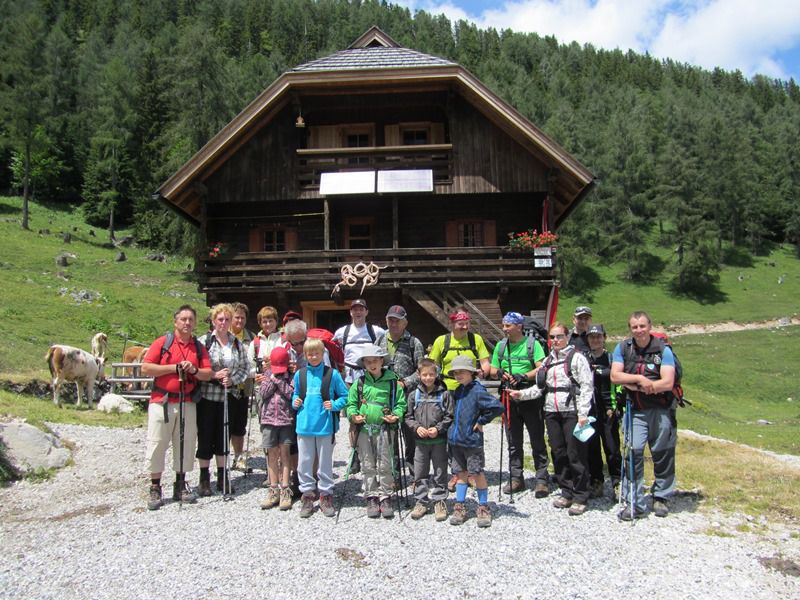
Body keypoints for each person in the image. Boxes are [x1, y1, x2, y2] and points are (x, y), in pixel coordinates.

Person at [510, 322, 594, 516]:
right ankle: (567, 491)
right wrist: (521, 394)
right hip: (551, 410)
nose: (555, 341)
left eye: (559, 337)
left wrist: (583, 413)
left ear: (567, 337)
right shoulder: (548, 361)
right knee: (558, 452)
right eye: (552, 337)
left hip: (572, 411)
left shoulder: (577, 358)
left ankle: (581, 494)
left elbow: (587, 386)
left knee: (575, 453)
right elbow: (540, 388)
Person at [140, 305, 212, 510]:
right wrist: (173, 368)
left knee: (186, 442)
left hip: (187, 400)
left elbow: (207, 373)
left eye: (190, 319)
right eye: (183, 319)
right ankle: (155, 486)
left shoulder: (198, 347)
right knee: (157, 442)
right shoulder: (163, 343)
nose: (187, 323)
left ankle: (181, 482)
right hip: (162, 400)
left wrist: (194, 369)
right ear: (175, 322)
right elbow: (146, 367)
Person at [610, 311, 676, 520]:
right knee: (633, 452)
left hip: (661, 409)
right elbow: (614, 376)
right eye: (634, 327)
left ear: (649, 326)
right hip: (635, 410)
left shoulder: (663, 350)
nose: (638, 330)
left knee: (662, 452)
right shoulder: (623, 348)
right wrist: (640, 378)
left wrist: (635, 385)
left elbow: (668, 382)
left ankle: (661, 496)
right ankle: (634, 502)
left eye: (642, 326)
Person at [489, 311, 549, 497]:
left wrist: (523, 376)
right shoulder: (501, 346)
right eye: (504, 325)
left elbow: (541, 367)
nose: (504, 328)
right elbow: (492, 369)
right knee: (513, 441)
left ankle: (542, 480)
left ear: (519, 326)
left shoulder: (533, 345)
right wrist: (500, 373)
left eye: (508, 325)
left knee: (536, 438)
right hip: (508, 396)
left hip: (529, 395)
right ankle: (516, 478)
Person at [346, 344, 407, 519]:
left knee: (385, 463)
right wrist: (353, 416)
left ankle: (386, 496)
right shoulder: (359, 383)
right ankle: (371, 496)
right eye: (368, 361)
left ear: (382, 361)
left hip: (385, 429)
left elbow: (401, 404)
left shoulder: (392, 382)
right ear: (364, 363)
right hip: (365, 430)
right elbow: (351, 404)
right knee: (367, 463)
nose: (372, 364)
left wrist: (396, 415)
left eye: (375, 360)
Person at [196, 304, 249, 496]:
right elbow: (196, 368)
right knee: (205, 435)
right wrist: (214, 375)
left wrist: (232, 379)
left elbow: (244, 368)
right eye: (220, 319)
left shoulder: (236, 343)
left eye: (227, 319)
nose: (224, 323)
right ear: (213, 321)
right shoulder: (203, 342)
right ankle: (203, 477)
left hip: (229, 396)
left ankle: (222, 476)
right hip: (208, 396)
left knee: (223, 436)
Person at [293, 338, 348, 518]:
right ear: (305, 355)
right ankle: (307, 495)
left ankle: (326, 494)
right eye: (310, 353)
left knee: (325, 463)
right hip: (304, 426)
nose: (313, 356)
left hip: (325, 426)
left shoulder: (332, 374)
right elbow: (295, 395)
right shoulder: (300, 375)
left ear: (323, 353)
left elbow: (345, 396)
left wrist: (334, 404)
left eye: (317, 353)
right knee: (304, 462)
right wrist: (295, 402)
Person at [447, 355, 504, 527]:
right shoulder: (458, 390)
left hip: (471, 441)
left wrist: (481, 422)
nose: (458, 375)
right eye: (456, 373)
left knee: (477, 473)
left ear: (471, 373)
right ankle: (460, 505)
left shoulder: (478, 391)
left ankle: (483, 506)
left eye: (462, 372)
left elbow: (497, 407)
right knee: (461, 474)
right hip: (456, 441)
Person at [378, 304, 425, 476]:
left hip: (408, 398)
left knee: (410, 436)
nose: (394, 324)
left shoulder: (414, 342)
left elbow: (422, 371)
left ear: (405, 322)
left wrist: (405, 383)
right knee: (389, 438)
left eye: (397, 320)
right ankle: (394, 474)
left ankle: (415, 474)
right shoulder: (380, 341)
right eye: (391, 320)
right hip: (385, 397)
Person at [406, 358, 453, 521]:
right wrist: (416, 427)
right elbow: (408, 416)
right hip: (420, 443)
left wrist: (438, 429)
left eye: (431, 374)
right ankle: (421, 501)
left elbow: (449, 416)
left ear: (436, 374)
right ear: (419, 375)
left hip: (439, 442)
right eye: (424, 375)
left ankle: (439, 500)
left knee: (440, 472)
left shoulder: (444, 394)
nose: (428, 378)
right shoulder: (414, 395)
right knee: (420, 472)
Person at [584, 324, 622, 498]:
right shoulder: (584, 359)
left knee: (612, 449)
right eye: (592, 337)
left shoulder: (612, 358)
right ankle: (596, 481)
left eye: (598, 336)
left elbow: (620, 383)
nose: (595, 340)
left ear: (604, 338)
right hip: (590, 410)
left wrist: (616, 406)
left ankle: (617, 482)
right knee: (592, 448)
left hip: (609, 410)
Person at [258, 346, 296, 511]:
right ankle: (273, 489)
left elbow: (291, 394)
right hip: (268, 421)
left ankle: (285, 488)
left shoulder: (291, 377)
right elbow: (263, 393)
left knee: (285, 454)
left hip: (285, 420)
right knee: (271, 455)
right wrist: (272, 377)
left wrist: (279, 381)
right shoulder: (267, 375)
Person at [428, 308, 491, 391]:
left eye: (467, 323)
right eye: (461, 324)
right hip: (447, 388)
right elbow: (432, 365)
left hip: (471, 387)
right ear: (452, 323)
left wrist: (482, 373)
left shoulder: (476, 339)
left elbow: (485, 362)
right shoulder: (441, 341)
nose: (465, 327)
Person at [333, 298, 385, 385]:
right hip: (349, 378)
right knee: (351, 398)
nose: (358, 312)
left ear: (366, 312)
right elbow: (333, 350)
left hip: (370, 376)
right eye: (355, 310)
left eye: (361, 309)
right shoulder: (341, 332)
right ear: (350, 312)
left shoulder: (376, 331)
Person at [230, 302, 256, 471]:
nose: (239, 320)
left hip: (243, 387)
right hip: (223, 388)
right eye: (236, 317)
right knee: (224, 424)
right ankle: (223, 458)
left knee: (240, 424)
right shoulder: (221, 336)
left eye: (242, 317)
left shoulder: (252, 338)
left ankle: (238, 457)